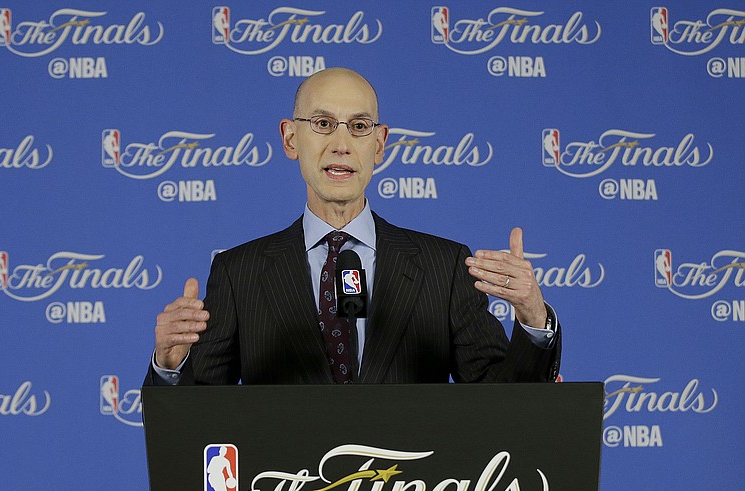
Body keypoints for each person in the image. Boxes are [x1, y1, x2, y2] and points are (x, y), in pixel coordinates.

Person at [146, 67, 559, 386]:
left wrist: (533, 319)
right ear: (291, 139)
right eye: (323, 124)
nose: (341, 143)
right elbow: (194, 426)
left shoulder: (445, 266)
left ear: (378, 145)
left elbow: (506, 405)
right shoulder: (239, 273)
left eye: (359, 127)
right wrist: (170, 364)